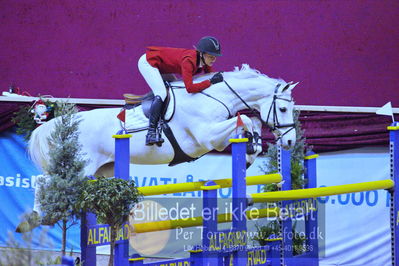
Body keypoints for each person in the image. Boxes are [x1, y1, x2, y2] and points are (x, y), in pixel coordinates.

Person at [138, 36, 224, 146]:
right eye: (211, 56)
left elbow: (211, 76)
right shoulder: (189, 60)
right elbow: (190, 88)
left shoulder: (203, 61)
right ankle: (151, 133)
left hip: (162, 66)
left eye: (215, 57)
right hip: (148, 63)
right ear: (201, 54)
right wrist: (210, 82)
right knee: (162, 93)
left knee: (175, 91)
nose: (213, 59)